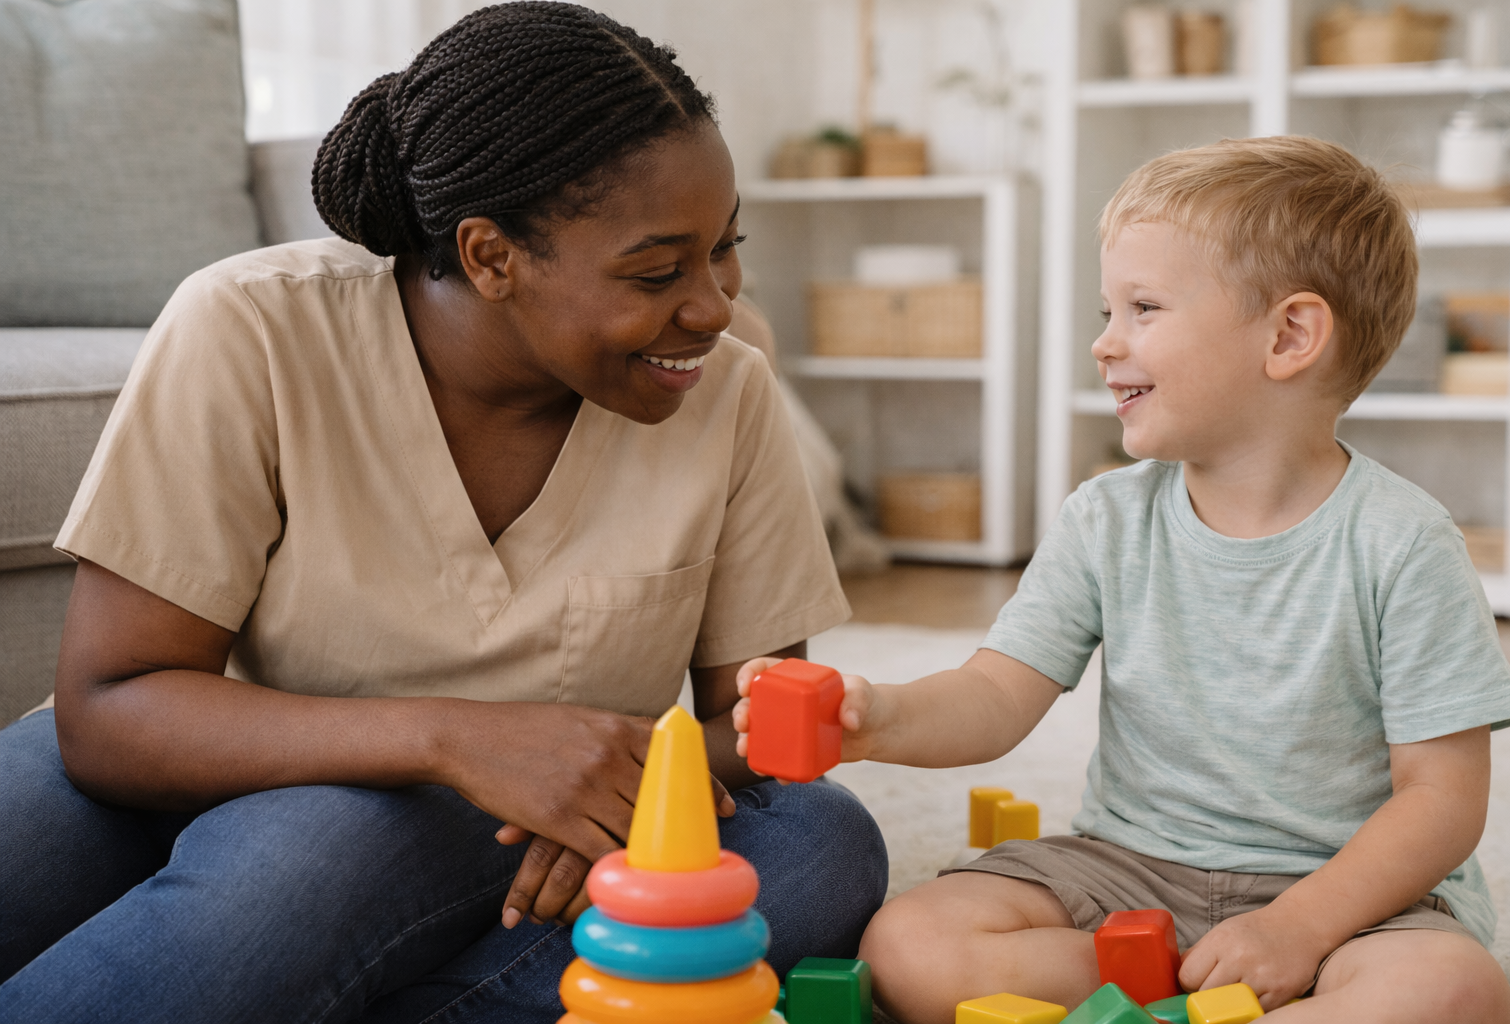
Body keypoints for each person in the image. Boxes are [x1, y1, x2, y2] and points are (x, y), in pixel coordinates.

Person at [0, 5, 886, 1022]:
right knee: (306, 854)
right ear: (489, 255)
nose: (714, 307)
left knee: (818, 840)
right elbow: (113, 709)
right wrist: (462, 741)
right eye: (656, 271)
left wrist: (625, 787)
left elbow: (754, 724)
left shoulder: (724, 390)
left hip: (501, 835)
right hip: (210, 766)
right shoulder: (251, 327)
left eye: (723, 250)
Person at [735, 136, 1510, 1023]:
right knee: (909, 946)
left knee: (1457, 993)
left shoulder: (1406, 543)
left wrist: (1301, 927)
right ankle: (1183, 994)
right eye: (1108, 309)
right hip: (1131, 868)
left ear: (1289, 335)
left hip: (1345, 896)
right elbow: (997, 694)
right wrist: (879, 718)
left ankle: (1226, 992)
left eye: (1142, 308)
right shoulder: (1104, 518)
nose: (1103, 342)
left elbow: (1442, 803)